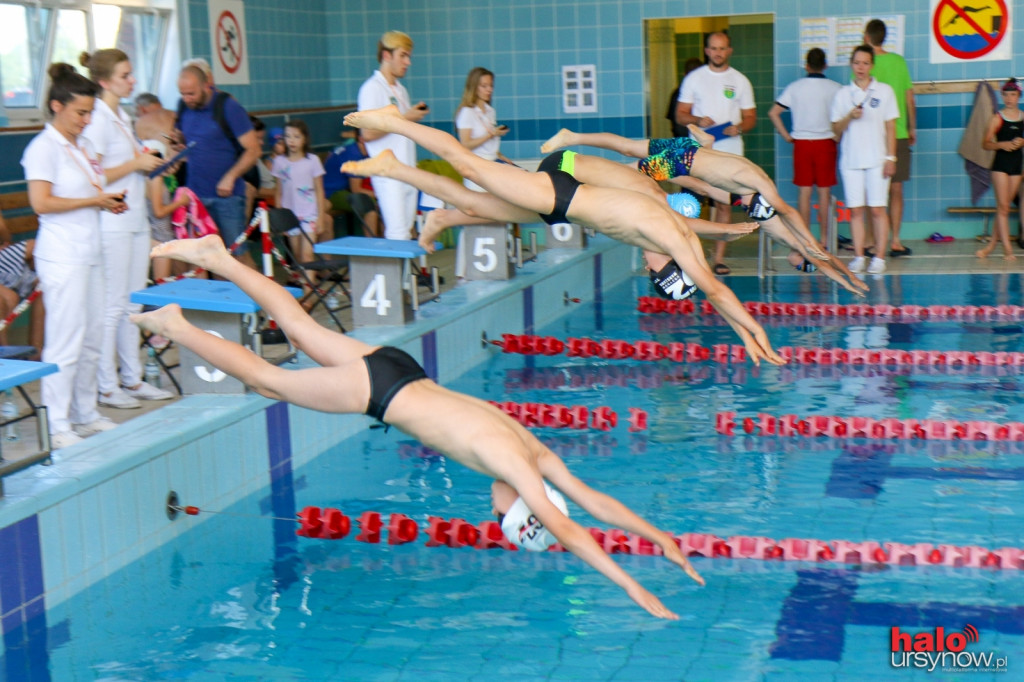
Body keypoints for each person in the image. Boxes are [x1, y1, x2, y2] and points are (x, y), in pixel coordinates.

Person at [133, 234, 705, 619]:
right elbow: (574, 529)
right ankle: (178, 325)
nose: (492, 506)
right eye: (500, 514)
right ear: (520, 508)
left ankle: (220, 257)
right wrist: (632, 587)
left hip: (402, 368)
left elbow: (596, 504)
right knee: (270, 379)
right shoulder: (516, 470)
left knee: (298, 328)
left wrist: (662, 542)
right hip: (381, 392)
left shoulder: (534, 454)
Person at [343, 106, 786, 366]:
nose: (650, 268)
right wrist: (749, 331)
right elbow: (714, 288)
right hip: (562, 187)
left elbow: (702, 258)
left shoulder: (663, 228)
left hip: (565, 194)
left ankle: (396, 169)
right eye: (657, 273)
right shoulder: (663, 226)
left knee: (477, 204)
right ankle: (394, 123)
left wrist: (724, 223)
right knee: (470, 166)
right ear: (665, 265)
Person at [21, 63, 132, 449]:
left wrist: (106, 204)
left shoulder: (84, 147)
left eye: (89, 112)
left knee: (92, 336)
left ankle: (86, 413)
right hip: (62, 256)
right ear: (56, 106)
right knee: (65, 340)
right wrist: (95, 199)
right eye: (80, 112)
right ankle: (57, 422)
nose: (87, 120)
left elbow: (88, 193)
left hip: (92, 250)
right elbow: (43, 203)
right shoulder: (42, 148)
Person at [539, 128, 829, 264]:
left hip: (685, 156)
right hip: (681, 160)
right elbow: (700, 184)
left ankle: (705, 142)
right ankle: (573, 140)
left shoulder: (748, 199)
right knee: (627, 157)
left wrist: (810, 249)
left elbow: (785, 229)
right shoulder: (751, 195)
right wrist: (811, 247)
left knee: (628, 157)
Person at [80, 49, 173, 410]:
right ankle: (106, 384)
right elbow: (95, 174)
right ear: (104, 82)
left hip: (135, 219)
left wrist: (150, 158)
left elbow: (129, 165)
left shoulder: (120, 114)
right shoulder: (99, 119)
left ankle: (132, 378)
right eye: (125, 75)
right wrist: (137, 161)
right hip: (113, 223)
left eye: (132, 74)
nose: (132, 80)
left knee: (134, 302)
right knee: (113, 304)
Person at [674, 32, 756, 276]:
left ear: (729, 50)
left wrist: (738, 127)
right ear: (707, 51)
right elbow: (680, 115)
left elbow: (751, 117)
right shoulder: (694, 79)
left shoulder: (740, 81)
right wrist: (698, 119)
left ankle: (718, 259)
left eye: (722, 48)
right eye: (714, 48)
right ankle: (688, 258)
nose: (718, 53)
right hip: (698, 153)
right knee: (690, 205)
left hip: (729, 152)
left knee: (723, 206)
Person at [174, 62, 261, 265]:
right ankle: (221, 297)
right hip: (196, 195)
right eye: (183, 94)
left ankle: (258, 297)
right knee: (208, 258)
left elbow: (253, 149)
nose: (187, 99)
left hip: (227, 198)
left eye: (192, 94)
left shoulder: (228, 107)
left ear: (207, 86)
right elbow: (185, 139)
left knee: (236, 255)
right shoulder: (183, 107)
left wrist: (230, 177)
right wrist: (178, 144)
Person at [830, 45, 899, 276]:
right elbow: (836, 132)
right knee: (856, 211)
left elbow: (891, 127)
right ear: (851, 64)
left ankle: (879, 256)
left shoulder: (885, 91)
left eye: (865, 63)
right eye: (857, 63)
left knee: (878, 209)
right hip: (851, 161)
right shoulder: (842, 94)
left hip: (878, 159)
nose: (860, 67)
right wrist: (850, 115)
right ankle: (859, 256)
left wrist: (891, 157)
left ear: (872, 65)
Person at [356, 31, 429, 240]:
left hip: (407, 169)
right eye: (403, 56)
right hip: (388, 173)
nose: (408, 62)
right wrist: (406, 118)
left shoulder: (401, 90)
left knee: (407, 232)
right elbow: (367, 133)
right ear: (387, 56)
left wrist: (408, 118)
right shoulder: (371, 89)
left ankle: (407, 274)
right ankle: (397, 274)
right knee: (398, 234)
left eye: (409, 57)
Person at [768, 48, 842, 247]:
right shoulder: (836, 88)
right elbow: (845, 117)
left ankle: (806, 239)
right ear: (825, 65)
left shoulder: (795, 87)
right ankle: (825, 240)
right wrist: (837, 136)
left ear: (806, 66)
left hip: (801, 144)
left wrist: (787, 136)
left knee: (805, 193)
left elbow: (773, 113)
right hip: (826, 143)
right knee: (824, 193)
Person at [865, 19, 916, 258]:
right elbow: (909, 99)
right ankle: (895, 240)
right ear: (885, 37)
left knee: (873, 190)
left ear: (867, 37)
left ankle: (872, 241)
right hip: (899, 132)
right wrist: (912, 128)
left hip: (874, 135)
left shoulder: (864, 63)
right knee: (896, 190)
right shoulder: (899, 61)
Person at [976, 78, 1024, 261]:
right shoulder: (997, 117)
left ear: (1018, 96)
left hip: (1016, 165)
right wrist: (1002, 144)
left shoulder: (1023, 117)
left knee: (1003, 209)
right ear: (1002, 96)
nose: (1010, 98)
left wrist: (1022, 142)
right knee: (1003, 207)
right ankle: (1008, 250)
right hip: (1000, 166)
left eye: (1013, 95)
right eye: (1006, 95)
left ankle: (989, 247)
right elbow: (985, 144)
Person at [271, 119, 328, 265]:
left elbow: (319, 190)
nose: (292, 141)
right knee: (297, 256)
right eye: (288, 136)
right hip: (290, 216)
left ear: (304, 139)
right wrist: (280, 218)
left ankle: (310, 288)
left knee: (307, 255)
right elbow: (279, 191)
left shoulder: (313, 160)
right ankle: (306, 285)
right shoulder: (279, 162)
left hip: (310, 214)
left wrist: (320, 217)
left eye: (297, 137)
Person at [324, 134, 382, 237]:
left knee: (382, 204)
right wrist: (380, 195)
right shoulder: (354, 154)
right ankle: (372, 248)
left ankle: (386, 244)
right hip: (331, 192)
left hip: (343, 189)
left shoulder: (359, 150)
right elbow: (356, 189)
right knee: (370, 208)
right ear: (361, 138)